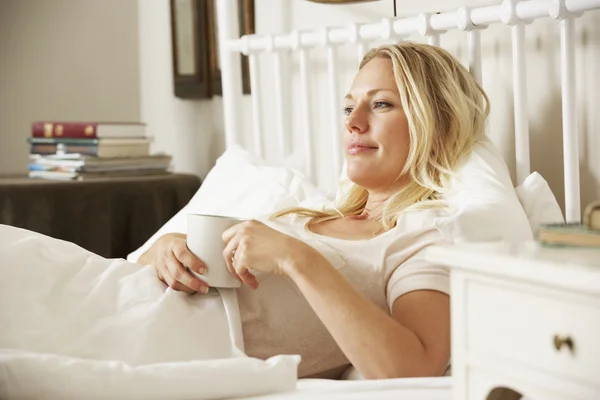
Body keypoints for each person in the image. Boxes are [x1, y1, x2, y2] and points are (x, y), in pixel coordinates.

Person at [137, 42, 490, 380]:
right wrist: (162, 251)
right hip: (125, 306)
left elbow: (415, 368)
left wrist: (295, 259)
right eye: (349, 108)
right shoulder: (307, 214)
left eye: (381, 104)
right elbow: (134, 272)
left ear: (437, 124)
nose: (354, 123)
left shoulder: (418, 238)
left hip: (149, 350)